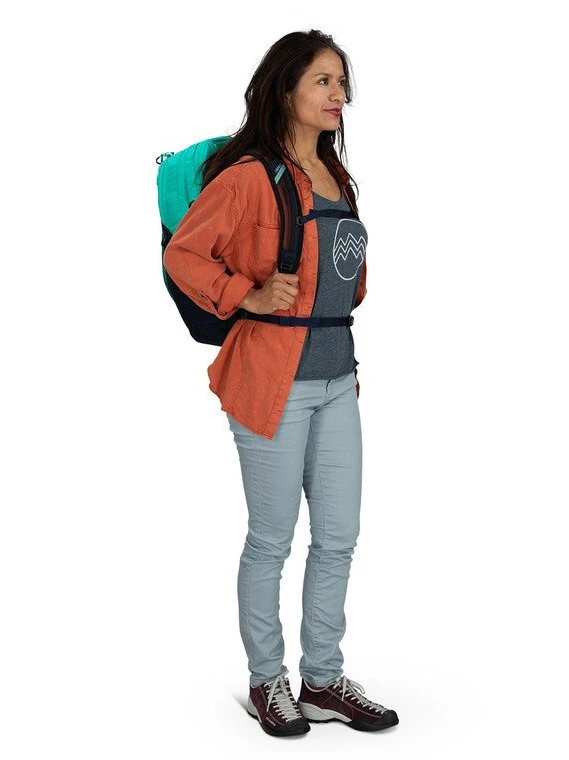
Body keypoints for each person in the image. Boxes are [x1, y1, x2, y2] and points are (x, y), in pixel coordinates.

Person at [163, 29, 399, 738]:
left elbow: (348, 279)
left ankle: (322, 681)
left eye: (342, 82)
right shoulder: (248, 177)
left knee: (339, 537)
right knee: (272, 538)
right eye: (324, 81)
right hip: (273, 379)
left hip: (337, 380)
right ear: (286, 88)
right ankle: (267, 679)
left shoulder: (338, 178)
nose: (339, 95)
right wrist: (247, 293)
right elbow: (185, 255)